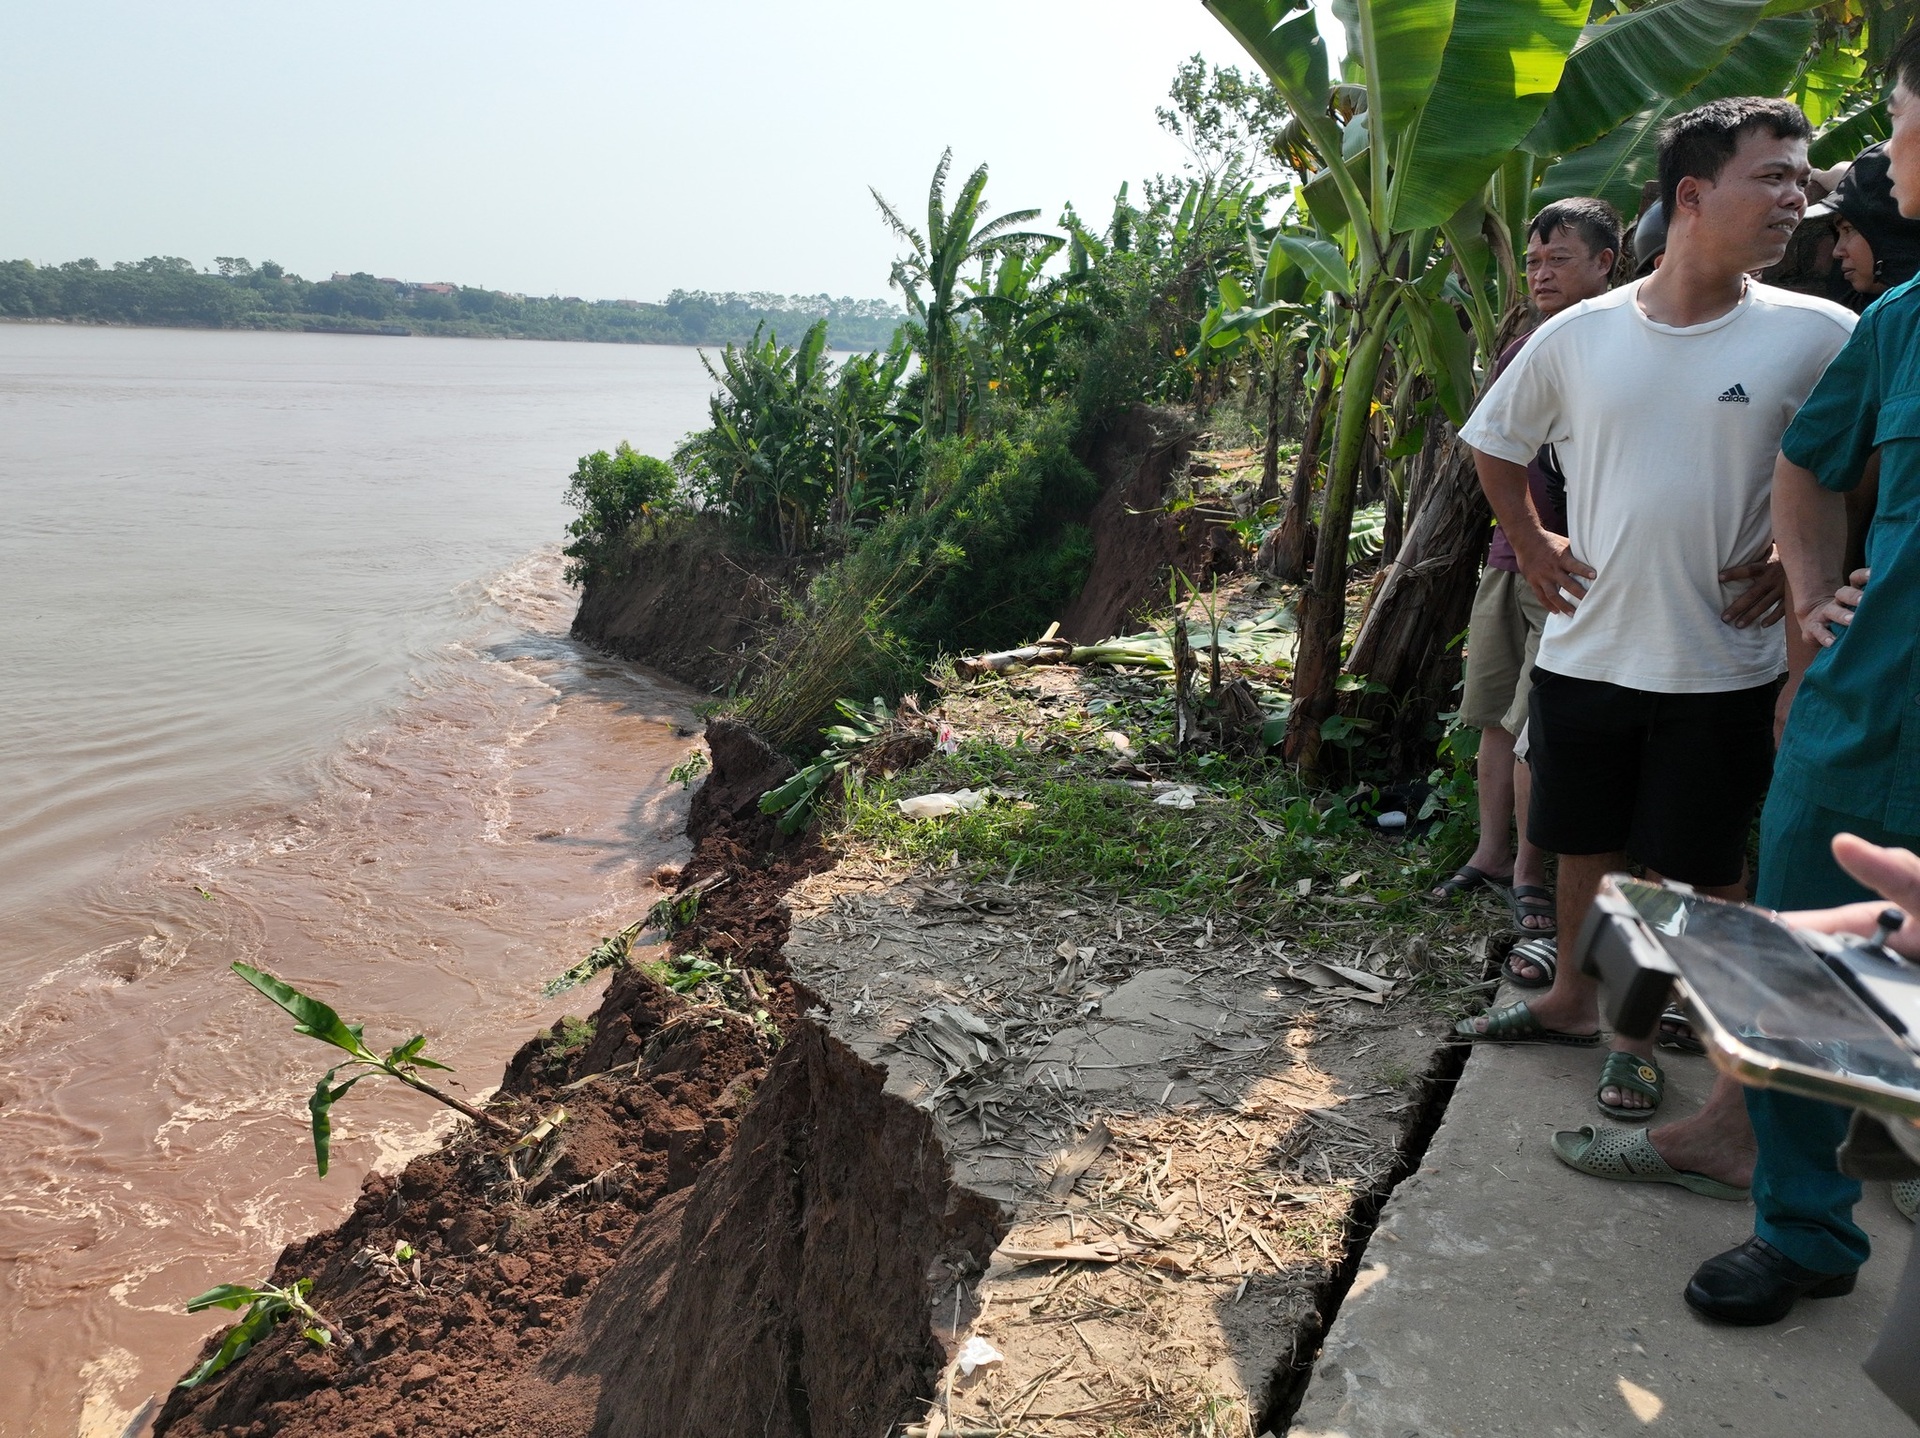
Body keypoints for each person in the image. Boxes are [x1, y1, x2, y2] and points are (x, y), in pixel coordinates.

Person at [1453, 99, 1846, 1142]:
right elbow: (1494, 441)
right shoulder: (1578, 335)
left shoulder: (1820, 335)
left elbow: (1857, 469)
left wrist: (1792, 557)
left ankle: (1671, 1031)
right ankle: (1582, 1005)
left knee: (1708, 861)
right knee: (1584, 843)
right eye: (1774, 178)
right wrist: (1533, 544)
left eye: (1803, 182)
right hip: (1590, 645)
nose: (1797, 200)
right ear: (1690, 195)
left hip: (1726, 660)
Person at [1686, 44, 1920, 1326]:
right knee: (1789, 969)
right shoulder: (1898, 326)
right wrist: (1817, 608)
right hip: (1868, 711)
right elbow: (1806, 468)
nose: (1882, 151)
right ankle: (1806, 1230)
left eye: (1898, 119)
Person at [1431, 199, 1620, 948]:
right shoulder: (1522, 347)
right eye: (1534, 262)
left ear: (1605, 262)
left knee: (1536, 727)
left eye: (1559, 260)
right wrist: (1520, 540)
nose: (1541, 273)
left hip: (1574, 568)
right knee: (1490, 716)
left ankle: (1531, 877)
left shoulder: (1620, 342)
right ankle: (1489, 854)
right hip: (1509, 558)